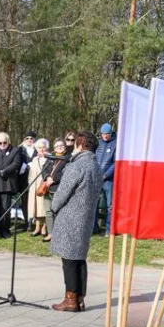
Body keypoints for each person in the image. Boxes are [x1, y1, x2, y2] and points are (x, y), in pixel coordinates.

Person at [49, 131, 103, 312]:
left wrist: (53, 207)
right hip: (86, 217)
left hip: (70, 217)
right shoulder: (96, 166)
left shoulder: (77, 166)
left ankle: (70, 299)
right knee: (79, 258)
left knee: (70, 260)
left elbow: (62, 192)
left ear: (80, 146)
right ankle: (80, 299)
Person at [0, 132, 21, 238]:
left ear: (8, 141)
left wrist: (5, 170)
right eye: (0, 143)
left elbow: (16, 163)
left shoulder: (15, 150)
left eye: (4, 142)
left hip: (7, 184)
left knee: (6, 209)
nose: (2, 144)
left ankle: (6, 230)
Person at [42, 139, 71, 242]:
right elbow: (44, 169)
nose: (59, 147)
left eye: (61, 145)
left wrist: (53, 179)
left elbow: (66, 172)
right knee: (49, 212)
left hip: (59, 188)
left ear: (65, 146)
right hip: (48, 189)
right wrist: (47, 177)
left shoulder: (68, 158)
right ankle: (50, 233)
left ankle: (60, 234)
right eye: (57, 146)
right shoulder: (51, 157)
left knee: (59, 212)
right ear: (54, 148)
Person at [27, 139, 53, 237]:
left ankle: (44, 227)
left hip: (43, 186)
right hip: (34, 186)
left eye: (43, 147)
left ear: (47, 148)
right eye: (39, 147)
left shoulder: (49, 158)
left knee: (44, 207)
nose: (41, 149)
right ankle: (37, 227)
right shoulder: (34, 159)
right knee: (36, 207)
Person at [95, 122, 116, 234]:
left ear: (111, 133)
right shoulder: (98, 143)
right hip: (97, 178)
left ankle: (109, 229)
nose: (105, 136)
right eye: (103, 133)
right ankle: (94, 228)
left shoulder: (115, 144)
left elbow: (115, 163)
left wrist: (106, 175)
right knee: (94, 204)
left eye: (107, 133)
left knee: (110, 206)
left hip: (109, 180)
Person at [18, 131, 38, 225]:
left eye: (31, 138)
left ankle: (37, 222)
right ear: (24, 140)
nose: (29, 140)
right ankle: (27, 222)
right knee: (25, 201)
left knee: (36, 200)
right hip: (23, 179)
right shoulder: (20, 150)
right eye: (27, 138)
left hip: (36, 178)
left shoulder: (38, 149)